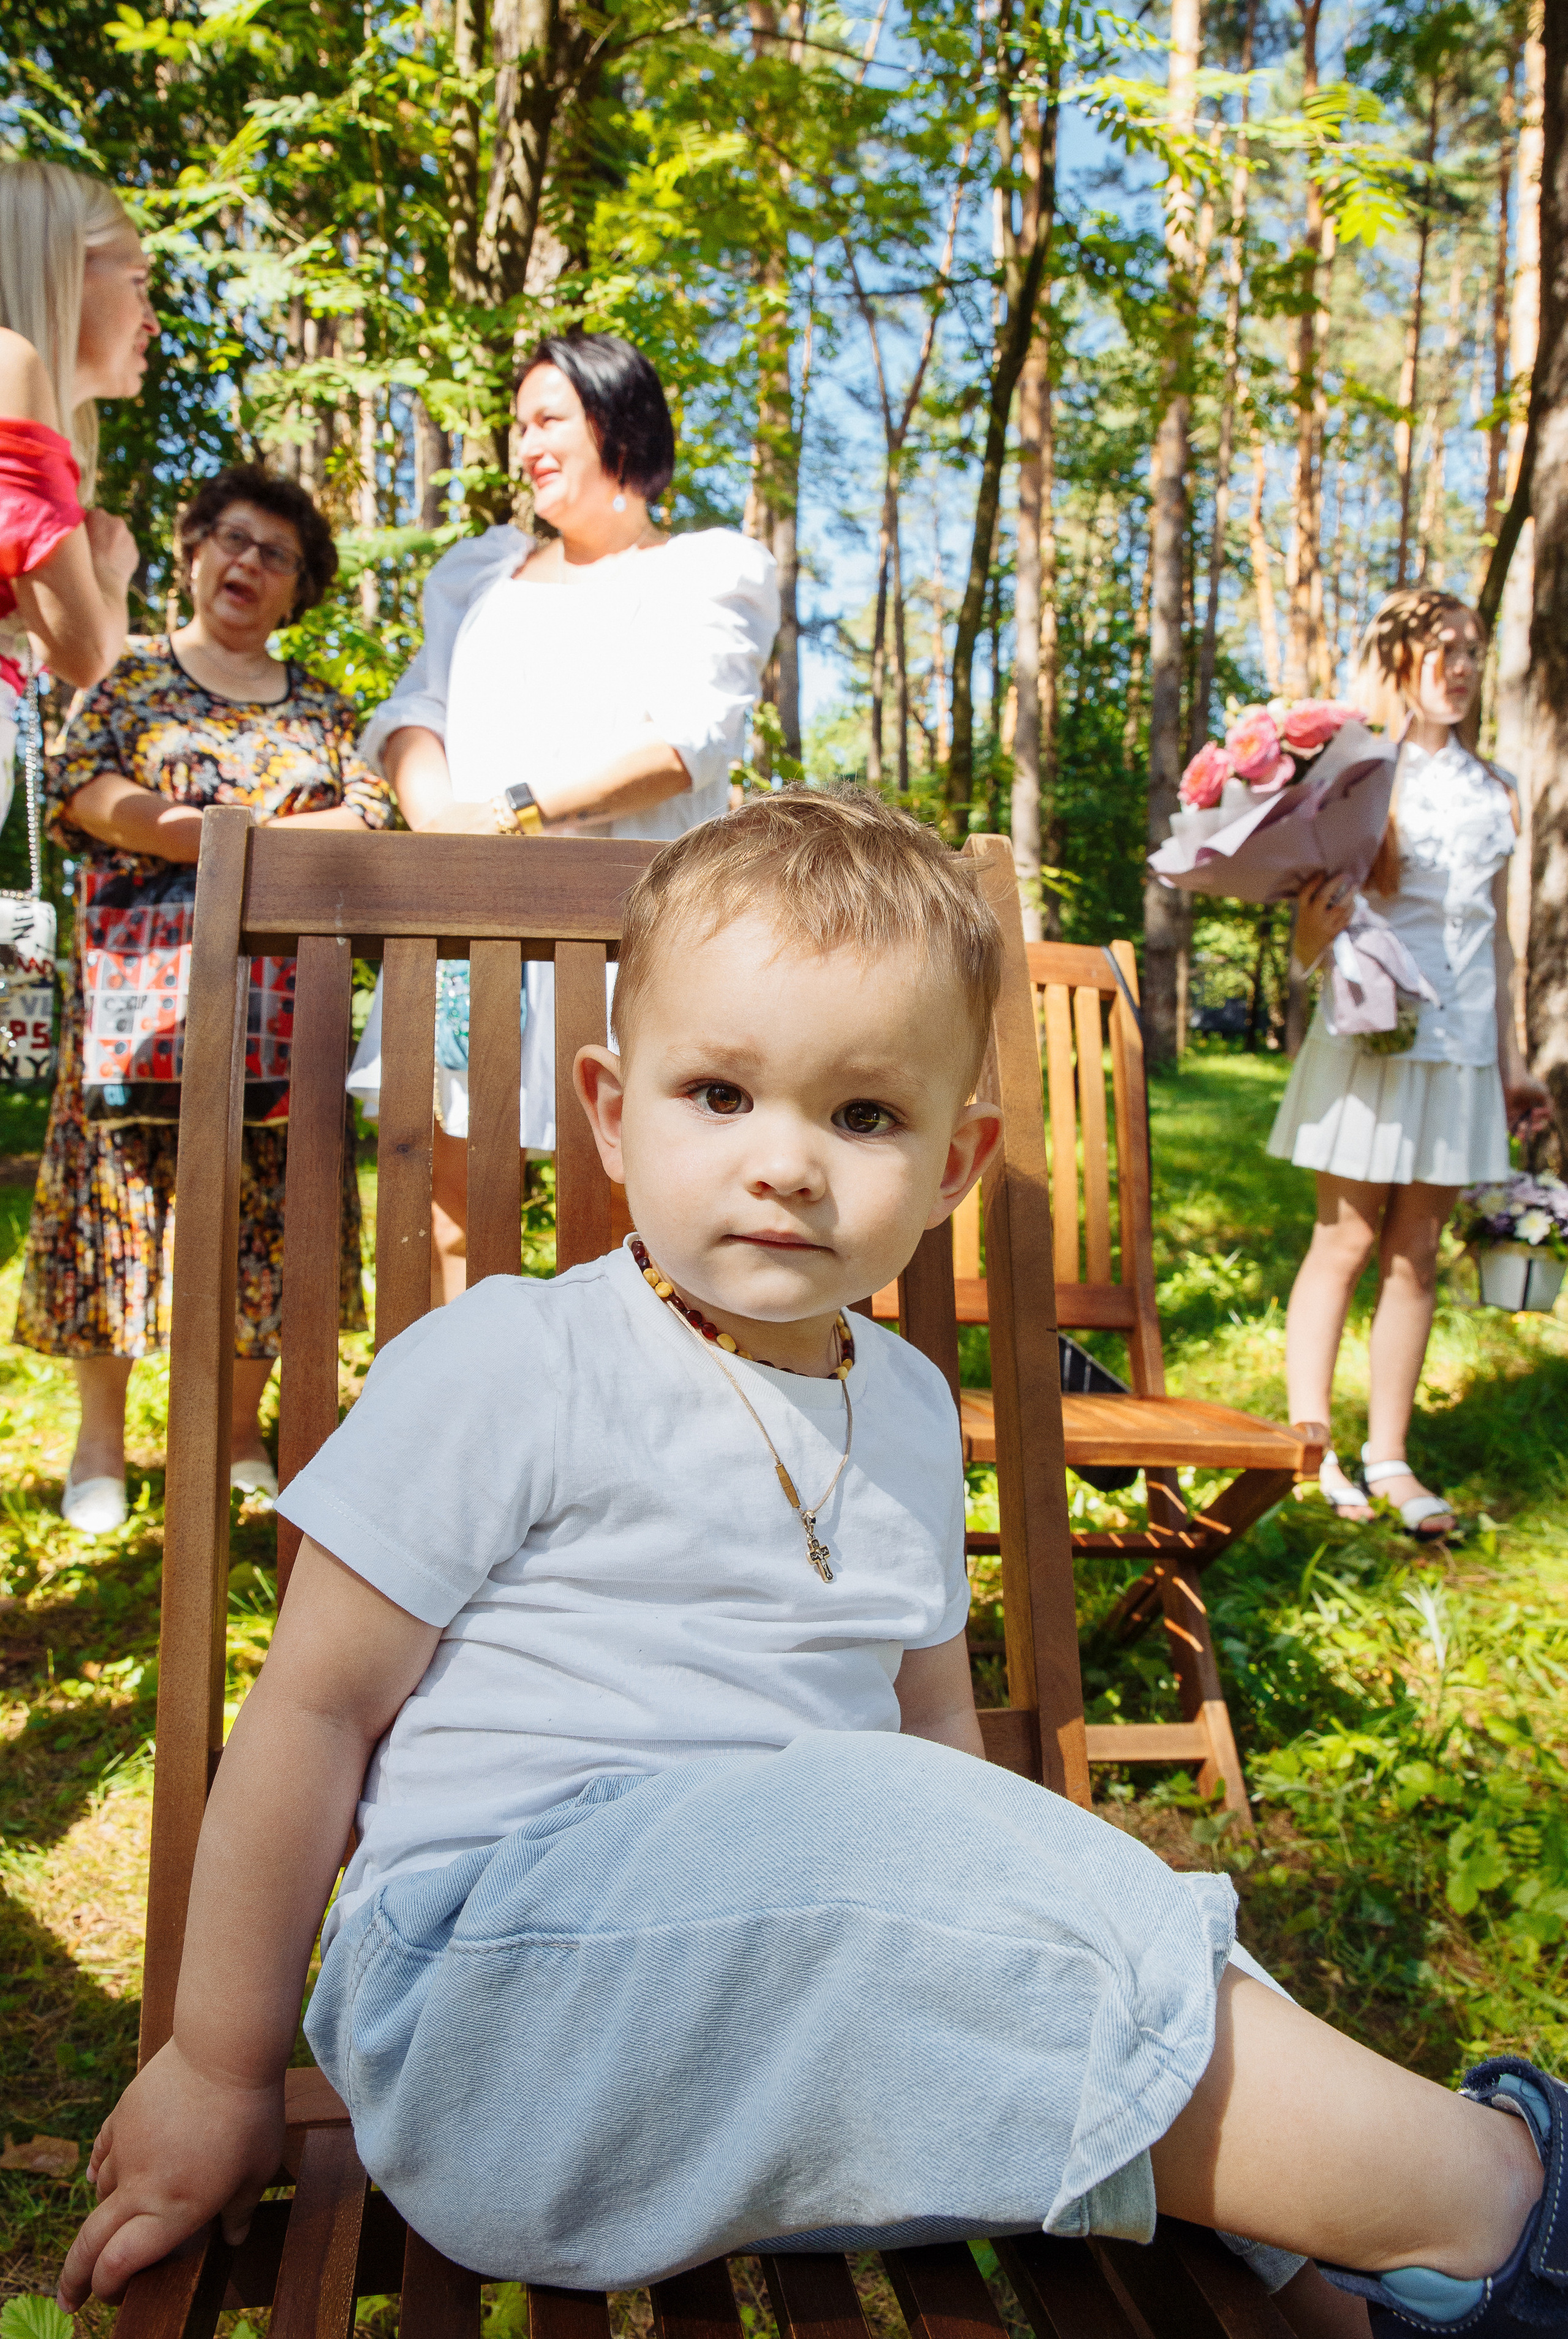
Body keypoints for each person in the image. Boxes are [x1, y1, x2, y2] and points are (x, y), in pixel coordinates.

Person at [59, 793, 1566, 2339]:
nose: (782, 1163)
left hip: (806, 2039)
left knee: (1057, 1896)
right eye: (717, 1092)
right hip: (505, 2015)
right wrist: (220, 2065)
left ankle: (1380, 2296)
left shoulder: (908, 1407)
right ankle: (1505, 2201)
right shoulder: (510, 1363)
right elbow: (308, 1716)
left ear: (955, 1157)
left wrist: (1029, 1877)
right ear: (606, 1105)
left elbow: (931, 1736)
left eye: (860, 1117)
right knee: (900, 1832)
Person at [346, 325, 778, 1304]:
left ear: (617, 421)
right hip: (469, 925)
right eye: (518, 425)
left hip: (633, 934)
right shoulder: (480, 575)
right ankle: (450, 1421)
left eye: (549, 420)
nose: (524, 446)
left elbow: (687, 742)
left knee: (627, 1189)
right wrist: (438, 826)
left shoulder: (704, 573)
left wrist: (506, 814)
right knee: (447, 1181)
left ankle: (623, 1423)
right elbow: (418, 711)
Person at [15, 465, 394, 1535]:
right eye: (231, 538)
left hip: (284, 1013)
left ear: (299, 587)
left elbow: (366, 821)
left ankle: (237, 1433)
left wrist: (213, 832)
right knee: (119, 1208)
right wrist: (231, 837)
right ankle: (101, 1439)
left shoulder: (321, 706)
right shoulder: (121, 673)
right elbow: (88, 792)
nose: (247, 565)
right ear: (191, 551)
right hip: (140, 1007)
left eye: (276, 555)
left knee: (270, 1216)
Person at [1268, 592, 1550, 1536]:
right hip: (1374, 1032)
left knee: (1417, 1254)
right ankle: (1311, 1451)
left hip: (1463, 1043)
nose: (1462, 666)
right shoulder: (1361, 773)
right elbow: (1314, 919)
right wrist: (1311, 941)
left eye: (1474, 649)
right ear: (1396, 660)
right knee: (1344, 1241)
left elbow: (1500, 942)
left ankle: (1389, 1456)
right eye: (1442, 649)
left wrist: (1513, 1064)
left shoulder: (1499, 787)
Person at [0, 162, 148, 823]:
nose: (152, 322)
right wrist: (110, 575)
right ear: (63, 266)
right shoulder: (9, 364)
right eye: (139, 283)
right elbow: (83, 650)